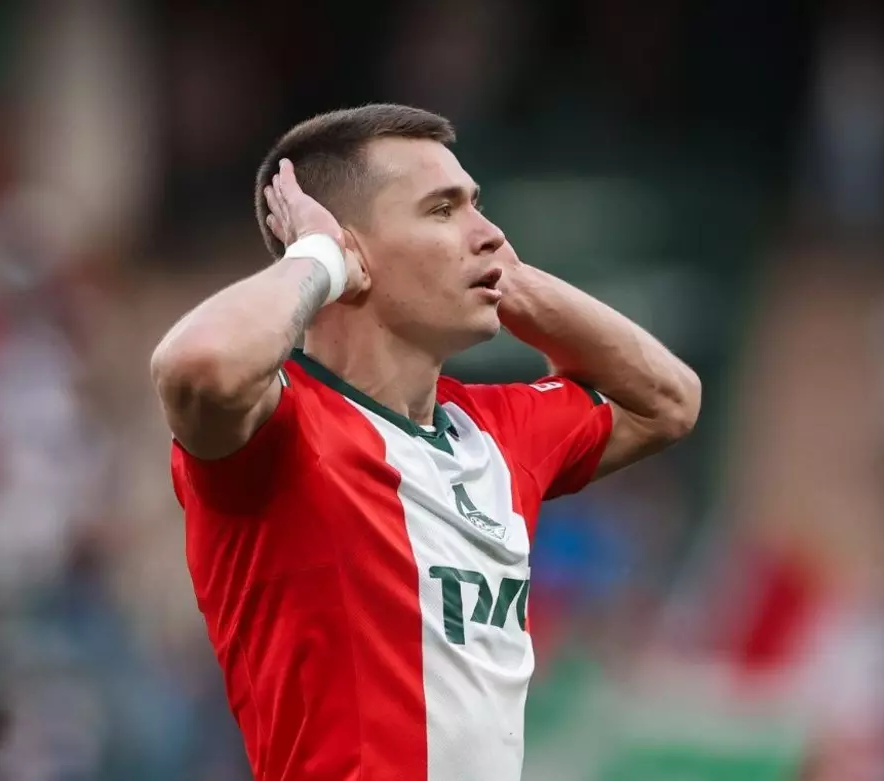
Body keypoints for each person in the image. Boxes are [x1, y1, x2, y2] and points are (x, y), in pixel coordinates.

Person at [150, 104, 701, 781]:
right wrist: (316, 256)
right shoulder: (281, 429)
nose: (490, 233)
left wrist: (509, 280)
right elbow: (198, 366)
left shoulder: (496, 432)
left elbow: (669, 401)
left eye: (477, 206)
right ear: (353, 251)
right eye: (442, 210)